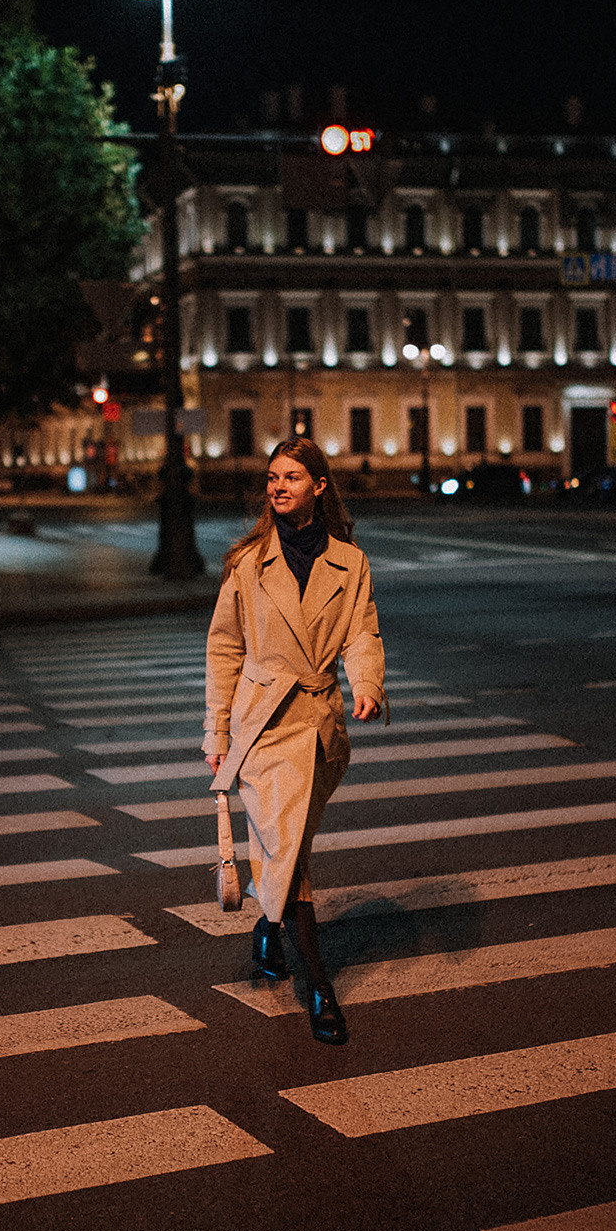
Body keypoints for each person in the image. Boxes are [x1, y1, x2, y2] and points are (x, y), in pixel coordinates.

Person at [205, 437, 386, 1045]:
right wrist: (217, 731)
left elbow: (362, 632)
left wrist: (367, 684)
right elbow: (224, 648)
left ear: (319, 486)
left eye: (291, 477)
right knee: (291, 851)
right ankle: (319, 989)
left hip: (321, 724)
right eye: (272, 477)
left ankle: (266, 929)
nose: (278, 486)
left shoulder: (350, 561)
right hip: (263, 725)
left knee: (288, 846)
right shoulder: (248, 562)